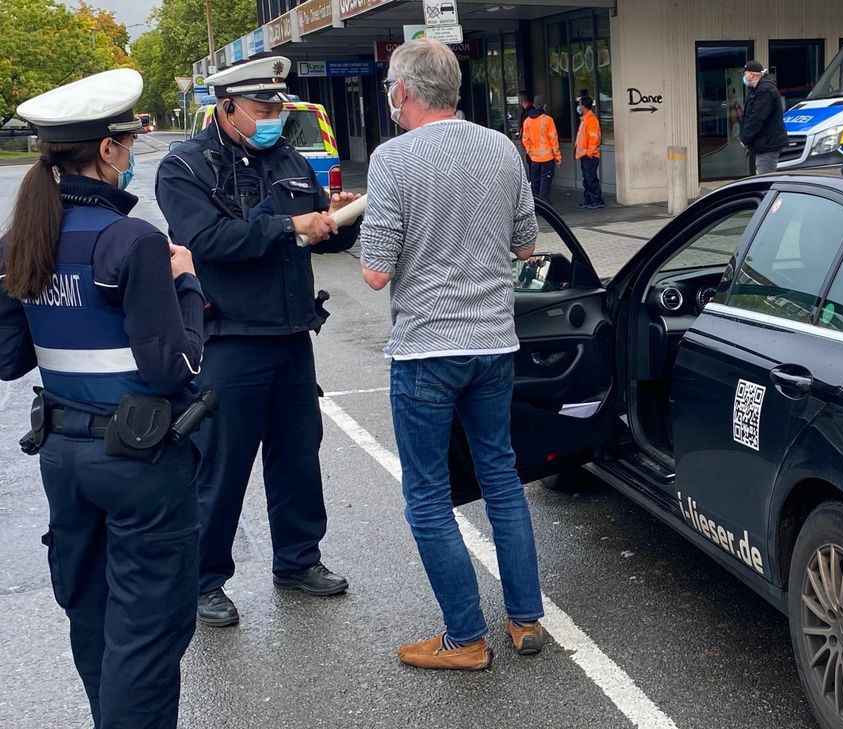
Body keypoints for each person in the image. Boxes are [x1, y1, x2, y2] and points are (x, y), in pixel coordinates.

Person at [0, 68, 207, 728]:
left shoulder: (20, 241)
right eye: (129, 139)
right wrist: (187, 287)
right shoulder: (134, 241)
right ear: (111, 149)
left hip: (64, 458)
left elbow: (10, 358)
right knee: (146, 638)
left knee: (95, 622)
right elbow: (174, 366)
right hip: (140, 464)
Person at [361, 38, 546, 671]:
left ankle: (465, 637)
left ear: (405, 92)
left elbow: (376, 273)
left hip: (426, 352)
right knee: (501, 479)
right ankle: (525, 619)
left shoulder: (392, 160)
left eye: (391, 86)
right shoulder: (502, 148)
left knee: (428, 497)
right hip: (494, 345)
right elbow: (526, 245)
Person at [155, 56, 358, 629]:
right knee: (220, 468)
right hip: (229, 339)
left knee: (298, 458)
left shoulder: (289, 158)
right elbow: (207, 239)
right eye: (262, 109)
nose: (273, 118)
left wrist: (337, 221)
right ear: (227, 108)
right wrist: (290, 227)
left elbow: (319, 238)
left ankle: (298, 559)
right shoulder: (186, 167)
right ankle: (204, 581)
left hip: (292, 335)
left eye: (277, 108)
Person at [739, 60, 788, 175]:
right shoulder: (756, 89)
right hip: (763, 144)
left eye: (745, 73)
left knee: (765, 179)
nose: (744, 76)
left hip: (768, 144)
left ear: (751, 74)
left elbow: (757, 118)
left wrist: (745, 138)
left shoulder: (765, 90)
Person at [521, 94, 561, 204]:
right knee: (545, 183)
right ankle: (545, 205)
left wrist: (530, 152)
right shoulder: (548, 120)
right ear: (545, 106)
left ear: (533, 105)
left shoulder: (527, 121)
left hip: (534, 158)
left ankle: (536, 205)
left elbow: (525, 139)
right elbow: (554, 139)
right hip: (547, 157)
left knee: (535, 182)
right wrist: (557, 156)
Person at [574, 96, 605, 209]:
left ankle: (597, 200)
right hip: (585, 154)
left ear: (583, 106)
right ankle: (589, 200)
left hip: (589, 155)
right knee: (587, 179)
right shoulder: (586, 119)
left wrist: (589, 153)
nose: (579, 107)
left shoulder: (591, 120)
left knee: (591, 179)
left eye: (580, 104)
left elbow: (594, 138)